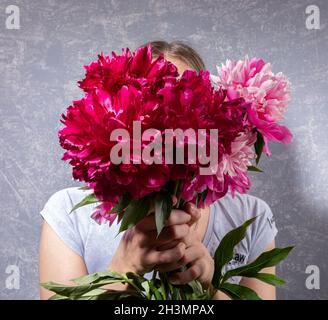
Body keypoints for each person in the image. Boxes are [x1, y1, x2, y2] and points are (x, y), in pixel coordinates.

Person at [39, 40, 278, 300]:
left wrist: (212, 288)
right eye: (151, 106)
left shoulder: (253, 217)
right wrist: (123, 270)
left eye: (178, 101)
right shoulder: (67, 213)